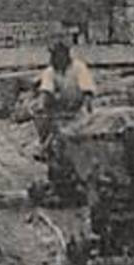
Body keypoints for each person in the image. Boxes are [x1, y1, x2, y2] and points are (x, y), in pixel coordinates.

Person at [31, 38, 96, 205]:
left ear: (67, 55)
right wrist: (42, 106)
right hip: (58, 115)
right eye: (54, 55)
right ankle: (58, 181)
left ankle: (84, 182)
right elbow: (46, 93)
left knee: (83, 147)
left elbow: (87, 92)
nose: (57, 58)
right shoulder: (50, 72)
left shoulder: (79, 68)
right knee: (55, 146)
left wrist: (88, 111)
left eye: (61, 54)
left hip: (77, 114)